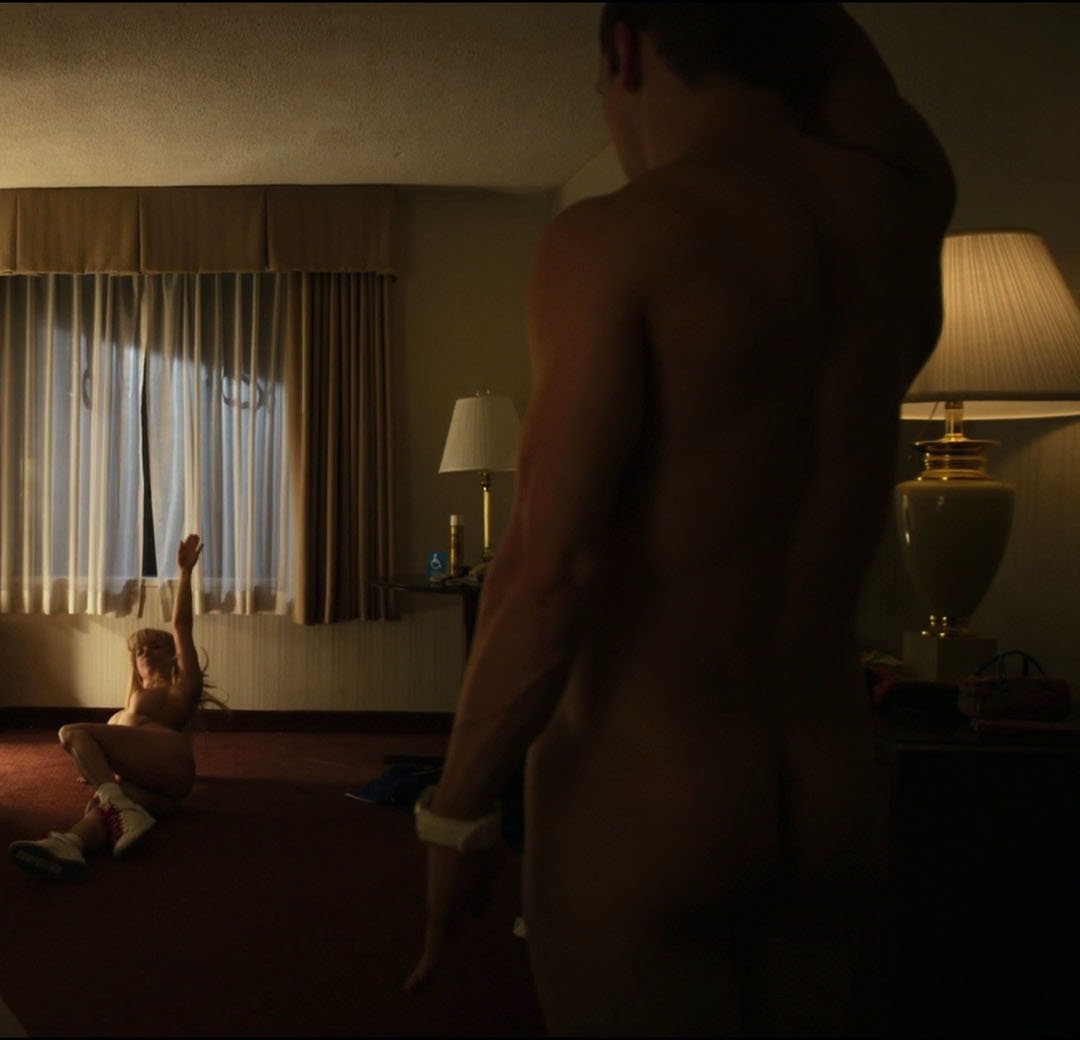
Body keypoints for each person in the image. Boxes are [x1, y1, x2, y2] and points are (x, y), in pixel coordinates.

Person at [402, 4, 954, 1034]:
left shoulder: (617, 237)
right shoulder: (902, 206)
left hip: (652, 791)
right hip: (833, 789)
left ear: (623, 50)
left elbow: (550, 569)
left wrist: (456, 812)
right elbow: (863, 84)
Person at [9, 533, 220, 879]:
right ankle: (70, 845)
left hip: (170, 758)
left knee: (71, 733)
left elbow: (181, 625)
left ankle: (117, 806)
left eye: (155, 647)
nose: (145, 652)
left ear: (173, 657)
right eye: (139, 651)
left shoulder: (180, 689)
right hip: (158, 785)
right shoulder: (128, 708)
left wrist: (184, 573)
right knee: (100, 806)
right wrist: (99, 771)